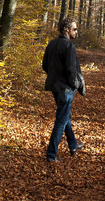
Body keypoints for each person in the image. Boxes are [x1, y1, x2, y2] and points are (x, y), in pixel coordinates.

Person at [42, 16, 85, 162]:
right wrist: (74, 85)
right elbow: (71, 70)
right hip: (65, 88)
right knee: (61, 119)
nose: (76, 31)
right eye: (74, 29)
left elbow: (45, 65)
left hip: (55, 86)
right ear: (66, 30)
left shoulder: (52, 44)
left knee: (65, 116)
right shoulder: (69, 46)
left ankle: (73, 145)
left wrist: (54, 77)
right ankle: (51, 155)